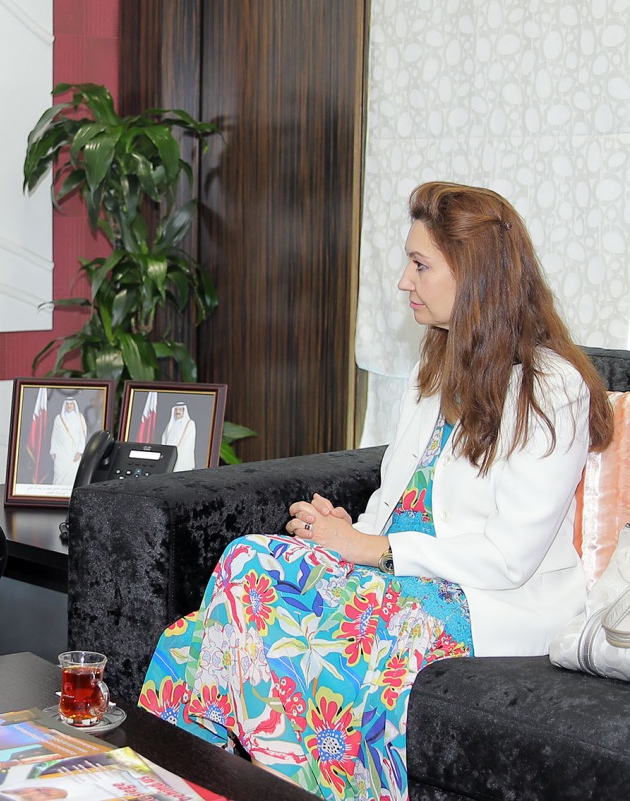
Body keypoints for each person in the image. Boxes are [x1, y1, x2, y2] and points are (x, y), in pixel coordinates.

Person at [137, 182, 614, 801]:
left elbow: (509, 557)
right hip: (400, 577)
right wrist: (344, 527)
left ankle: (235, 778)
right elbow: (394, 502)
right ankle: (179, 783)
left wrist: (375, 548)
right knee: (248, 560)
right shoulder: (440, 367)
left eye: (420, 265)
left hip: (483, 603)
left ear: (476, 276)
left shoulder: (552, 390)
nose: (403, 281)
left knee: (240, 640)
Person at [49, 397, 87, 487]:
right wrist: (53, 450)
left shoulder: (80, 418)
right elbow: (54, 436)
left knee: (73, 477)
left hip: (74, 454)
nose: (69, 406)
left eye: (71, 404)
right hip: (61, 454)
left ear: (74, 405)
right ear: (65, 405)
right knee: (59, 476)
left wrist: (80, 452)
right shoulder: (58, 419)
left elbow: (82, 436)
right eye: (67, 404)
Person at [161, 402, 197, 471]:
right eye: (176, 410)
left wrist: (176, 455)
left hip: (180, 458)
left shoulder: (190, 424)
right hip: (169, 456)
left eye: (180, 409)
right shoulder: (170, 425)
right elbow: (164, 439)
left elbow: (187, 444)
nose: (178, 412)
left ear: (184, 411)